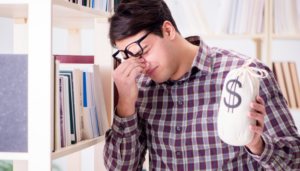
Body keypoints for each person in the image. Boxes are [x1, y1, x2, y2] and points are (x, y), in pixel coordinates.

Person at [103, 0, 300, 170]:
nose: (139, 65)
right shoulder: (139, 89)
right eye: (128, 58)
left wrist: (258, 145)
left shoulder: (246, 73)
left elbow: (295, 162)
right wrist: (126, 104)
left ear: (168, 30)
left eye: (143, 51)